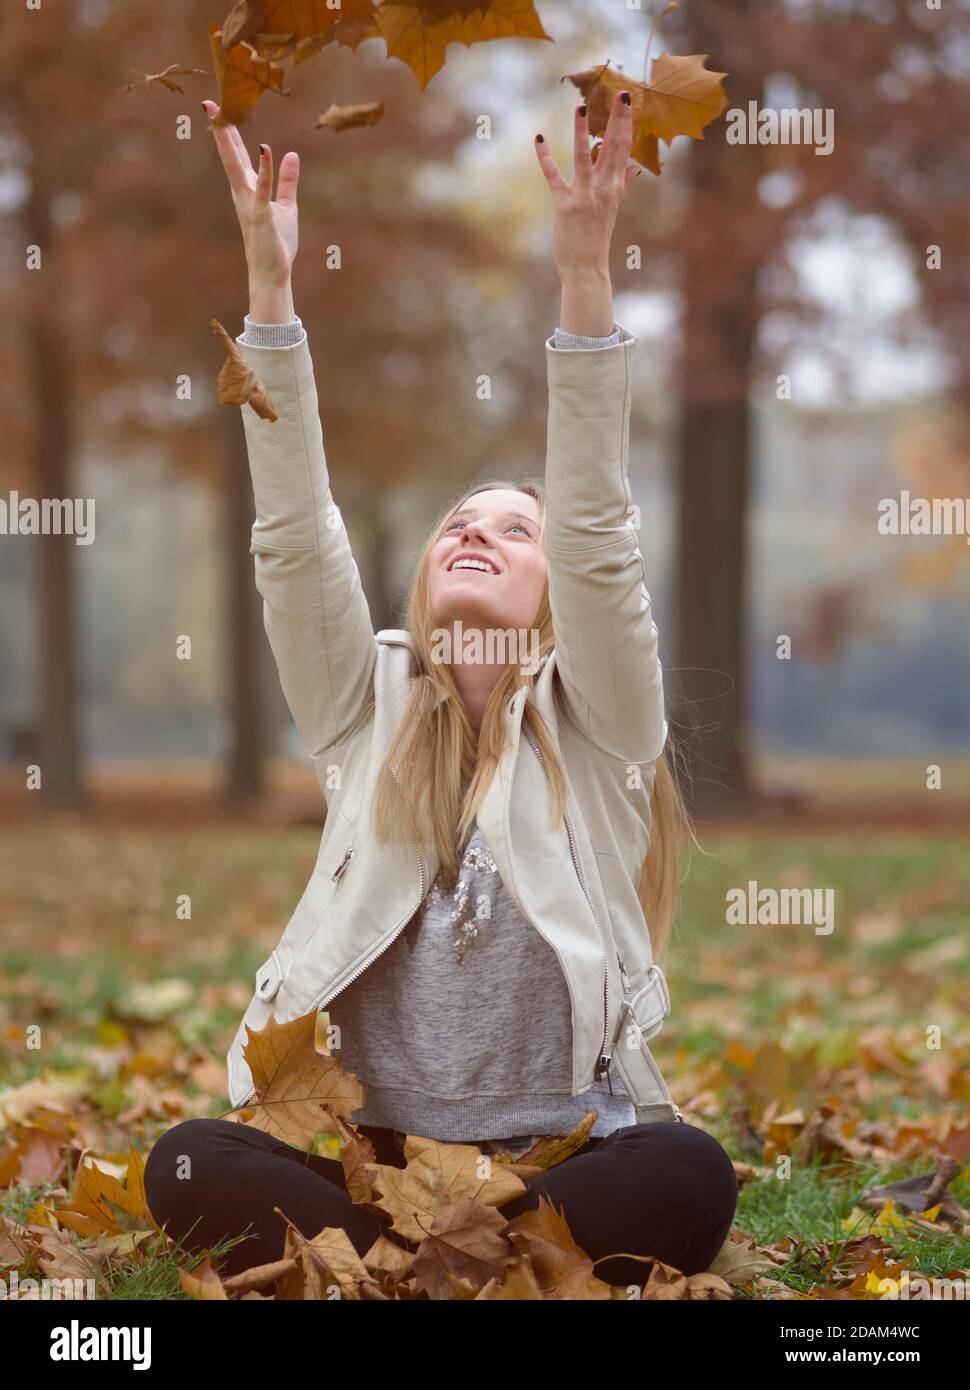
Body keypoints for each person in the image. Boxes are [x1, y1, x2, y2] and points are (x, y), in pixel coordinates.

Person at [145, 89, 738, 1291]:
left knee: (688, 1173)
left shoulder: (605, 723)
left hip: (564, 1163)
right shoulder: (361, 712)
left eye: (512, 530)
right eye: (458, 524)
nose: (477, 532)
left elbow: (598, 532)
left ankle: (450, 1264)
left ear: (556, 587)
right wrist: (271, 304)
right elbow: (294, 537)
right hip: (375, 1164)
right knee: (189, 1163)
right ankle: (445, 1265)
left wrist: (583, 283)